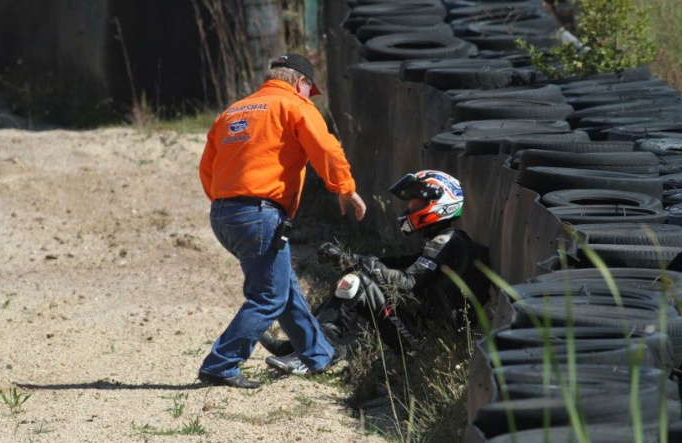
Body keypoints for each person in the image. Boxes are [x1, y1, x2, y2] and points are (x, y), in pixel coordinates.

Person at [197, 53, 367, 389]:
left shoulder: (233, 111)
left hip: (223, 213)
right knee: (268, 297)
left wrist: (230, 204)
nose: (309, 95)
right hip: (259, 213)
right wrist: (345, 188)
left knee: (283, 287)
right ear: (301, 83)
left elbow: (207, 167)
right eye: (309, 89)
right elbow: (327, 149)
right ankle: (221, 363)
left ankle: (318, 355)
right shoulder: (294, 105)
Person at [264, 170, 490, 374]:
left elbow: (408, 282)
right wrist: (350, 259)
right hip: (423, 330)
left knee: (356, 282)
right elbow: (400, 264)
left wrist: (360, 264)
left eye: (416, 202)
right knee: (355, 277)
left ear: (440, 202)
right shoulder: (446, 240)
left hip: (429, 342)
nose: (409, 206)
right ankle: (303, 344)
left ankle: (320, 354)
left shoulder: (448, 242)